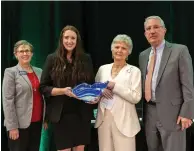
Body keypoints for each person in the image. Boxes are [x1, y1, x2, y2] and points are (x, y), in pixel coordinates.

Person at [139, 15, 194, 151]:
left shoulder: (179, 50)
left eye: (156, 27)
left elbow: (188, 84)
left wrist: (187, 113)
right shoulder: (143, 55)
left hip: (173, 114)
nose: (152, 31)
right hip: (149, 113)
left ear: (164, 30)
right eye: (148, 28)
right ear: (145, 34)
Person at [39, 25, 95, 151]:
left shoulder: (86, 59)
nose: (69, 41)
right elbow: (43, 87)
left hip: (82, 114)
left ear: (77, 41)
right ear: (61, 39)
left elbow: (91, 84)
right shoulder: (52, 59)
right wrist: (63, 91)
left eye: (73, 38)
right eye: (66, 37)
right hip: (61, 115)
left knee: (80, 148)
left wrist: (93, 96)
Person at [94, 34, 142, 151]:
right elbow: (95, 90)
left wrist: (114, 86)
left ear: (128, 52)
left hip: (125, 122)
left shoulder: (134, 71)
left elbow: (136, 97)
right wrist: (101, 90)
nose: (119, 50)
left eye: (124, 48)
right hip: (104, 120)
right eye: (117, 47)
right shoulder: (103, 69)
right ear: (112, 49)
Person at [2, 40, 44, 151]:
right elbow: (7, 101)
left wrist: (46, 118)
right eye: (21, 51)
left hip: (37, 121)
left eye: (27, 51)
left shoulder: (39, 71)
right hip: (18, 125)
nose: (25, 54)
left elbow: (44, 95)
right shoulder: (10, 72)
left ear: (32, 53)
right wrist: (12, 127)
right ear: (16, 54)